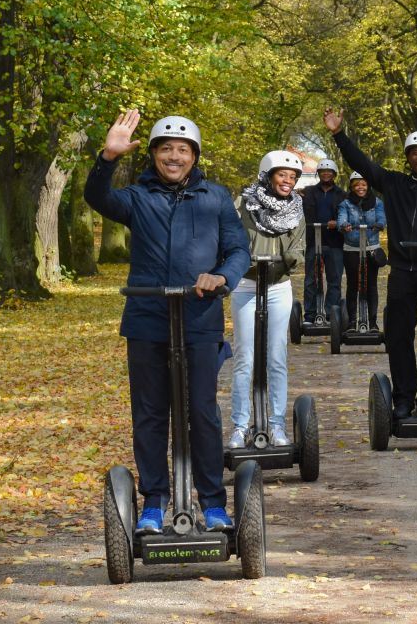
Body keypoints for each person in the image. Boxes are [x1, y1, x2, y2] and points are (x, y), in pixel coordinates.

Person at [85, 110, 250, 534]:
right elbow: (98, 199)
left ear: (194, 157)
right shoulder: (137, 198)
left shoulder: (215, 198)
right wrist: (107, 158)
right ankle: (153, 504)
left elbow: (238, 251)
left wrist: (222, 277)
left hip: (199, 319)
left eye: (183, 149)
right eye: (165, 149)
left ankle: (213, 503)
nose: (173, 156)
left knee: (203, 413)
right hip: (147, 319)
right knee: (151, 414)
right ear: (154, 154)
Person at [323, 108, 417, 419]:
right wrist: (339, 135)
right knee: (399, 334)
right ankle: (403, 398)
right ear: (408, 157)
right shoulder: (394, 183)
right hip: (404, 271)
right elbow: (362, 164)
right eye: (416, 152)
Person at [228, 151, 307, 449]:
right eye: (282, 175)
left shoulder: (297, 210)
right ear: (267, 174)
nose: (287, 181)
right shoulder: (244, 204)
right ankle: (240, 425)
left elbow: (299, 247)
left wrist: (289, 259)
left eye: (292, 177)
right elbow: (231, 239)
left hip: (277, 286)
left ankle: (276, 425)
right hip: (246, 284)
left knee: (276, 357)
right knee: (244, 358)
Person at [337, 171, 387, 330]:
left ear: (368, 186)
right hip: (352, 248)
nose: (360, 187)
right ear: (352, 187)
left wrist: (380, 224)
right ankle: (351, 322)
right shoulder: (345, 204)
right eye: (357, 185)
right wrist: (344, 225)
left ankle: (372, 323)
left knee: (371, 285)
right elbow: (341, 219)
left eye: (364, 184)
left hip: (371, 248)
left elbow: (382, 217)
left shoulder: (377, 202)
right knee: (353, 285)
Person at [301, 158, 345, 322]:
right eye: (323, 171)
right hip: (313, 241)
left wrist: (339, 222)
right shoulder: (308, 192)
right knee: (311, 280)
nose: (326, 174)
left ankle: (330, 314)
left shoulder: (342, 195)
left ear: (334, 174)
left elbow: (348, 214)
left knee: (334, 280)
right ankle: (310, 315)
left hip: (335, 243)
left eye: (329, 171)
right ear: (318, 173)